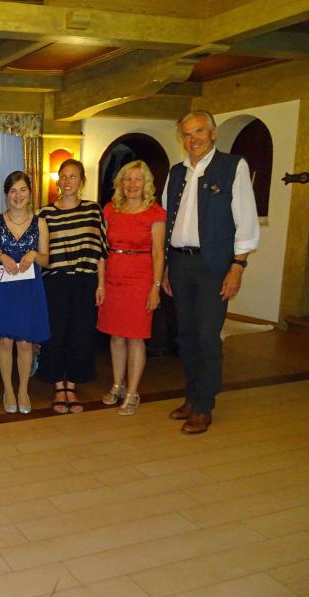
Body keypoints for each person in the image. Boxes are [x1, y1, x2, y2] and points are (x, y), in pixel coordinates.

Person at [163, 110, 259, 434]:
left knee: (206, 336)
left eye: (199, 131)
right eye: (187, 133)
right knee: (186, 336)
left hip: (213, 266)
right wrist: (166, 267)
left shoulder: (233, 167)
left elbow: (246, 223)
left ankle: (204, 405)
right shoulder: (176, 172)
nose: (193, 139)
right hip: (180, 263)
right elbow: (168, 221)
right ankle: (192, 396)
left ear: (213, 133)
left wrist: (237, 267)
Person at [97, 161, 166, 415]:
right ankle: (117, 384)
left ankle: (133, 391)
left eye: (138, 179)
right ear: (120, 183)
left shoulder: (155, 213)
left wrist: (155, 287)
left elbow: (158, 254)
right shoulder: (110, 210)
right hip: (113, 278)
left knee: (135, 337)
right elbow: (101, 249)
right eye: (127, 179)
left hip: (140, 281)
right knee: (116, 336)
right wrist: (100, 283)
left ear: (146, 183)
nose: (132, 184)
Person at [38, 159, 107, 414]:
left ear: (82, 181)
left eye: (73, 176)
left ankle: (72, 386)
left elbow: (101, 251)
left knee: (81, 334)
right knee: (55, 334)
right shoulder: (44, 213)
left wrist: (101, 284)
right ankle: (59, 386)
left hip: (85, 281)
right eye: (63, 176)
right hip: (55, 282)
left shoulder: (93, 210)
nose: (67, 181)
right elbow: (40, 252)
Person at [0, 171, 50, 414]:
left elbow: (46, 259)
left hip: (29, 289)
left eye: (23, 190)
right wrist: (1, 256)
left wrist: (34, 254)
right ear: (6, 195)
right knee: (4, 340)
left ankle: (23, 390)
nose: (18, 195)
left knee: (25, 342)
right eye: (13, 191)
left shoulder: (40, 223)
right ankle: (8, 390)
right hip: (3, 288)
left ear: (30, 193)